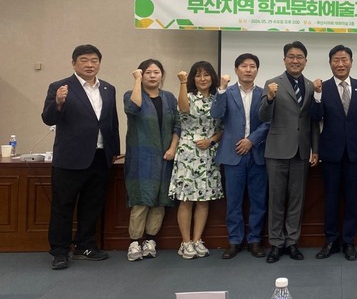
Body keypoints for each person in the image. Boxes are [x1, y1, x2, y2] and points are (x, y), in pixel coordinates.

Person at [41, 44, 120, 270]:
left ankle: (85, 245)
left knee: (92, 205)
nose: (89, 64)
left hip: (99, 156)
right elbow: (48, 118)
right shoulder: (60, 87)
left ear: (99, 63)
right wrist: (58, 102)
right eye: (84, 60)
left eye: (94, 60)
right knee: (63, 206)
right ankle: (59, 251)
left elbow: (111, 122)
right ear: (74, 63)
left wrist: (114, 150)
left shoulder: (108, 88)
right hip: (70, 159)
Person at [311, 45, 357, 261]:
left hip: (355, 152)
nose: (340, 64)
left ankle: (348, 241)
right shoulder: (323, 88)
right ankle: (331, 240)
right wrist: (317, 95)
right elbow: (315, 117)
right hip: (331, 152)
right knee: (331, 198)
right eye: (336, 60)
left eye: (344, 60)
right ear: (330, 63)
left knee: (351, 199)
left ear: (351, 62)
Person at [260, 41, 320, 263]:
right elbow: (263, 116)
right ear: (284, 59)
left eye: (300, 57)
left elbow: (313, 122)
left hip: (301, 152)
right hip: (277, 151)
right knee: (276, 200)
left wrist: (315, 149)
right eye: (291, 57)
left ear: (306, 61)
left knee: (297, 200)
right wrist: (269, 98)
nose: (296, 60)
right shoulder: (272, 84)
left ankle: (292, 242)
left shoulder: (311, 86)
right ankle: (276, 243)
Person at [210, 53, 270, 260]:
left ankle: (255, 240)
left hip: (257, 153)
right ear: (236, 70)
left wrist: (251, 140)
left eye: (252, 66)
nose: (248, 70)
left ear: (257, 70)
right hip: (233, 154)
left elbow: (268, 121)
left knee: (258, 200)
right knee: (234, 201)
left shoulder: (264, 94)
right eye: (244, 66)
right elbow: (216, 114)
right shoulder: (226, 92)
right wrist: (221, 89)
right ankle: (234, 241)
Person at [124, 59, 180, 262]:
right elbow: (133, 108)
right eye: (148, 72)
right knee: (141, 200)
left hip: (165, 156)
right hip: (141, 157)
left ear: (162, 75)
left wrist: (173, 148)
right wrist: (137, 81)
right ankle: (134, 242)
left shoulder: (169, 97)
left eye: (156, 72)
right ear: (141, 74)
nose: (153, 75)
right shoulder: (131, 94)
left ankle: (150, 240)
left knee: (160, 200)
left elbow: (177, 125)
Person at [168, 61, 224, 259]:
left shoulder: (218, 98)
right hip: (188, 153)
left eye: (206, 75)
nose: (202, 79)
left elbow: (222, 129)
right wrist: (183, 82)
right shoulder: (188, 95)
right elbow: (184, 109)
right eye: (198, 75)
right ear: (193, 78)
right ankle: (185, 242)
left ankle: (197, 239)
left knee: (203, 200)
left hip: (209, 153)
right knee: (186, 200)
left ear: (212, 77)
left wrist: (211, 141)